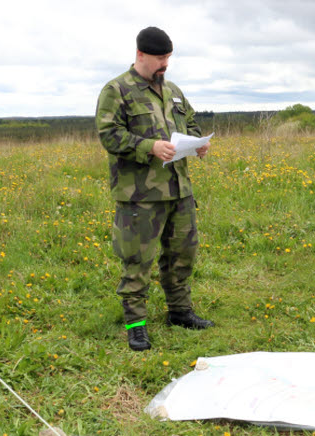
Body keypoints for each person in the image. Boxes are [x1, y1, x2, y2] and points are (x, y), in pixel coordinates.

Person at [96, 26, 214, 352]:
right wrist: (148, 146)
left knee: (182, 255)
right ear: (141, 55)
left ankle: (180, 312)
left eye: (168, 58)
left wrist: (198, 143)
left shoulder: (173, 90)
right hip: (140, 195)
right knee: (137, 261)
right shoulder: (116, 90)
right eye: (160, 58)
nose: (165, 64)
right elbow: (108, 135)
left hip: (179, 190)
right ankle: (135, 326)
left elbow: (189, 122)